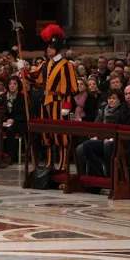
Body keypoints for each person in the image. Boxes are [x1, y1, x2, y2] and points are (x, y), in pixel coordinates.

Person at [19, 24, 78, 171]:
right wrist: (23, 70)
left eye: (51, 47)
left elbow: (71, 88)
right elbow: (35, 78)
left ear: (57, 49)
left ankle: (63, 165)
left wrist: (66, 106)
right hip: (45, 102)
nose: (48, 49)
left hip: (59, 103)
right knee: (48, 135)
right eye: (48, 47)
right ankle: (50, 162)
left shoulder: (66, 65)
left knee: (61, 136)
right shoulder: (45, 64)